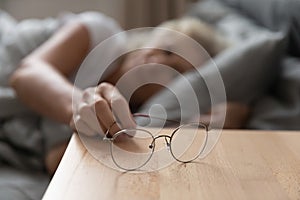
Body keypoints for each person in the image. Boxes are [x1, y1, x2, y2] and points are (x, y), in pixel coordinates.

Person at [9, 12, 246, 174]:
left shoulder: (127, 120)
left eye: (174, 71)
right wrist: (84, 105)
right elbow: (27, 74)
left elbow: (56, 161)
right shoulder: (101, 34)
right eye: (166, 49)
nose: (155, 62)